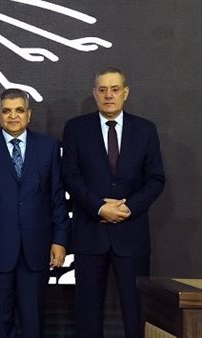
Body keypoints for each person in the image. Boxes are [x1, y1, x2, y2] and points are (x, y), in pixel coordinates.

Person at [62, 67, 165, 338]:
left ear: (125, 93)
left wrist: (127, 208)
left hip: (131, 234)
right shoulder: (76, 128)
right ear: (94, 93)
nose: (109, 95)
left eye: (115, 89)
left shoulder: (145, 130)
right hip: (89, 232)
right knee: (87, 311)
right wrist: (99, 207)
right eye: (103, 89)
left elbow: (155, 179)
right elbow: (70, 176)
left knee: (135, 311)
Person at [0, 88, 69, 338]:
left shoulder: (49, 147)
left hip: (37, 248)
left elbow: (57, 197)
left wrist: (60, 240)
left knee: (33, 321)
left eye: (19, 110)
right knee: (0, 320)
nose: (13, 116)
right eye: (6, 111)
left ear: (29, 115)